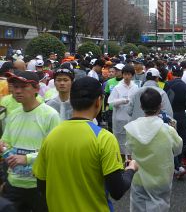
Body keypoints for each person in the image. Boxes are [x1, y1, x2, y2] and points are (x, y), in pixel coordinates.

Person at [33, 77, 138, 212]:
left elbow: (41, 184)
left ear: (72, 99)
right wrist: (131, 169)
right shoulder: (104, 138)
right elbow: (117, 191)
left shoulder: (51, 136)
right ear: (98, 101)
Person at [1, 71, 60, 211]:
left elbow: (55, 150)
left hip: (39, 185)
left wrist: (27, 158)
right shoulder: (13, 115)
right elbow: (6, 143)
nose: (17, 91)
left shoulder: (50, 115)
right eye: (15, 87)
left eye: (23, 86)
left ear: (36, 89)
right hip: (13, 184)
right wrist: (3, 148)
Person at [124, 88, 182, 212]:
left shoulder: (131, 128)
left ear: (141, 106)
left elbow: (128, 150)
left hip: (138, 177)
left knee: (137, 207)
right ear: (160, 106)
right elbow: (178, 149)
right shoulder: (168, 130)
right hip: (161, 179)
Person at [163, 65, 186, 179]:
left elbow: (164, 99)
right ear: (182, 74)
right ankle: (179, 162)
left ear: (172, 73)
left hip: (170, 115)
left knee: (169, 139)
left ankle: (173, 165)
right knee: (180, 139)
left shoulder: (168, 84)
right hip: (181, 114)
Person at [108, 65, 138, 156]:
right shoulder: (118, 87)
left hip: (131, 119)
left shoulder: (135, 87)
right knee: (119, 138)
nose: (126, 77)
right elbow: (110, 102)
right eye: (125, 74)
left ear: (132, 75)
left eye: (129, 75)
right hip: (119, 118)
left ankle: (129, 157)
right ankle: (120, 156)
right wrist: (122, 101)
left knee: (130, 139)